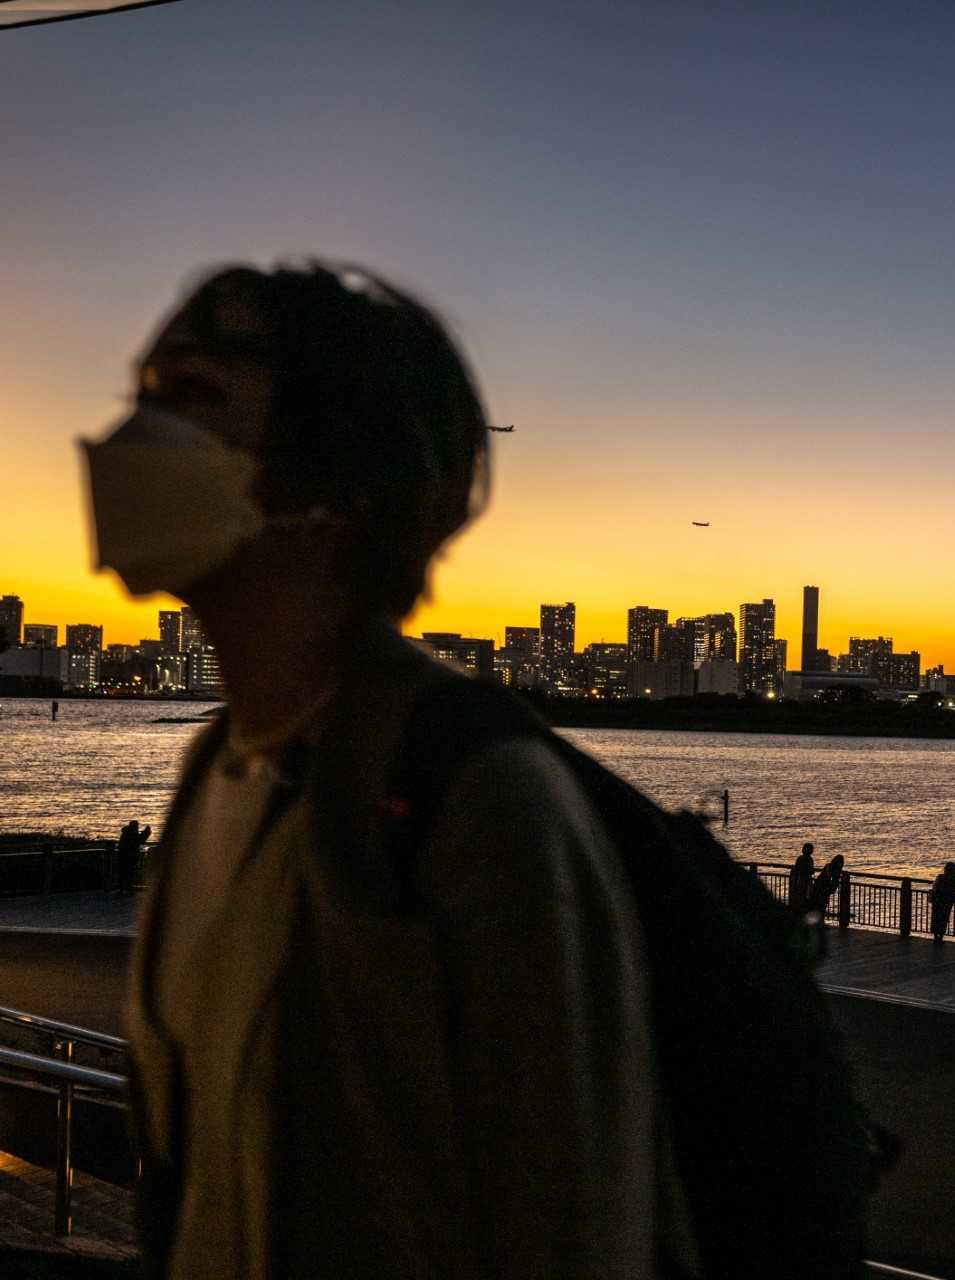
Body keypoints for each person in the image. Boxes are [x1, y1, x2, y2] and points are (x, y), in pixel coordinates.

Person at [102, 263, 660, 1277]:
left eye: (194, 397)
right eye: (141, 396)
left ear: (341, 488)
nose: (138, 438)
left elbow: (577, 1225)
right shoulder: (212, 772)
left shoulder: (479, 799)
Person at [929, 861, 955, 943]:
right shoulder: (954, 878)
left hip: (937, 901)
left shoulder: (940, 877)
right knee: (944, 919)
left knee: (936, 918)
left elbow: (934, 887)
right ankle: (940, 937)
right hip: (947, 902)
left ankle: (935, 937)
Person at [113, 819, 151, 894]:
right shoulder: (132, 833)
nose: (137, 827)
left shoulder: (126, 832)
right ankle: (128, 889)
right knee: (130, 873)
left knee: (123, 873)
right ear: (135, 826)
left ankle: (122, 889)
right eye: (137, 826)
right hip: (130, 856)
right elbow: (140, 841)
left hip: (123, 856)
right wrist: (147, 833)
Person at [807, 853, 846, 924]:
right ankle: (818, 922)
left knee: (816, 905)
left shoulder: (828, 866)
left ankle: (815, 921)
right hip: (824, 889)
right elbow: (834, 880)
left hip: (818, 887)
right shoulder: (835, 869)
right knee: (821, 905)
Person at [788, 841, 816, 913]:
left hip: (801, 879)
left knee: (801, 896)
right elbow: (810, 870)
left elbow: (797, 868)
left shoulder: (801, 858)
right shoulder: (809, 859)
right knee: (806, 896)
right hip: (805, 880)